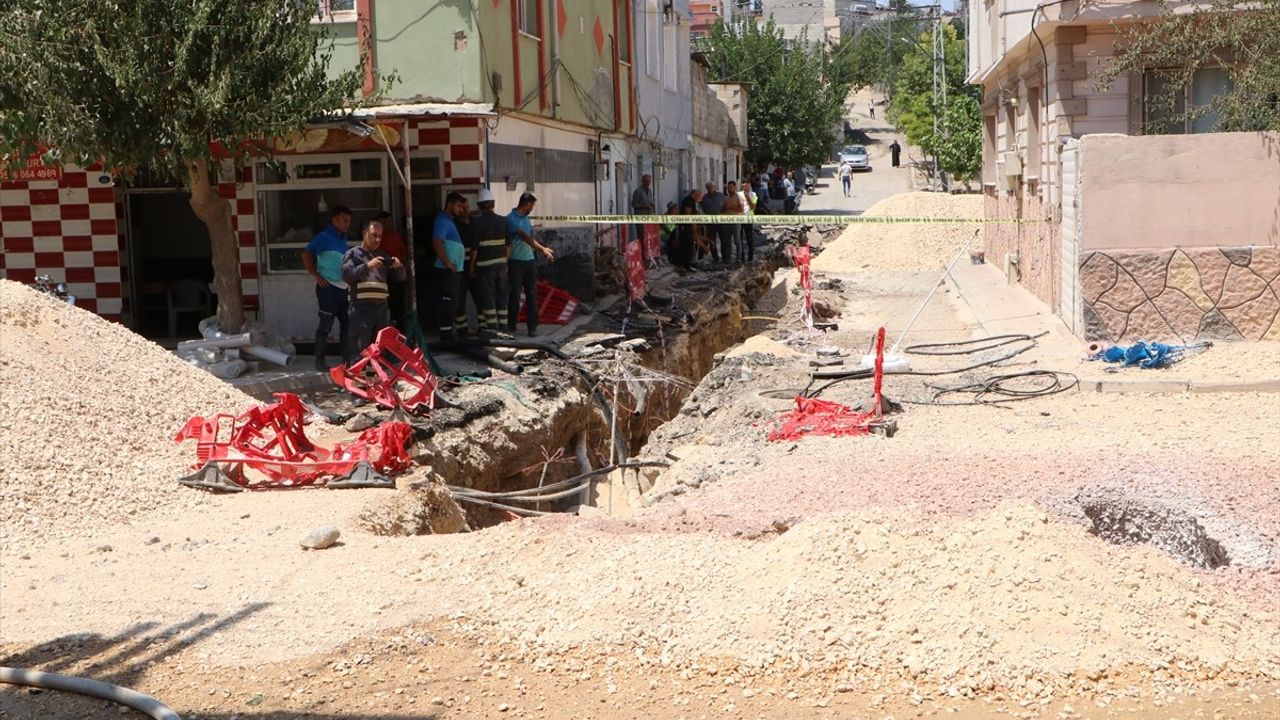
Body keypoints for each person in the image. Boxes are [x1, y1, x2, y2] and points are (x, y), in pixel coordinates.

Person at [341, 220, 405, 370]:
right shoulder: (353, 254)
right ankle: (358, 387)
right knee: (360, 351)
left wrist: (398, 266)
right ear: (364, 234)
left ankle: (373, 384)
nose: (377, 239)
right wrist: (368, 265)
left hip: (380, 309)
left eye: (380, 236)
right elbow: (347, 275)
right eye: (373, 235)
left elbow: (401, 277)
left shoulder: (382, 256)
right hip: (361, 309)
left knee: (377, 352)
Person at [302, 205, 353, 370]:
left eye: (349, 221)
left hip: (343, 288)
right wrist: (315, 275)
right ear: (335, 220)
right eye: (345, 220)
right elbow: (306, 254)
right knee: (325, 325)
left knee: (347, 325)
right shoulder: (323, 237)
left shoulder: (343, 238)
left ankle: (347, 362)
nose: (347, 224)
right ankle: (319, 361)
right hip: (328, 288)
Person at [507, 192, 555, 337]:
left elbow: (531, 235)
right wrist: (542, 249)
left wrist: (535, 254)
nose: (533, 208)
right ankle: (511, 327)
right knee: (514, 295)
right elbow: (524, 236)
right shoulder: (511, 219)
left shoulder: (526, 219)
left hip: (529, 261)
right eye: (532, 205)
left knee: (532, 295)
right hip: (516, 262)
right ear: (527, 204)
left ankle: (532, 327)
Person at [467, 189, 510, 333]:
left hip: (484, 267)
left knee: (488, 297)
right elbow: (508, 245)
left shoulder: (476, 223)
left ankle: (493, 330)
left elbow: (475, 249)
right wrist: (505, 261)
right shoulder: (504, 221)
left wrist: (471, 265)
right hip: (501, 265)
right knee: (502, 296)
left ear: (479, 205)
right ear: (493, 204)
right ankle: (504, 328)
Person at [432, 192, 470, 340]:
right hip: (446, 271)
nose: (461, 209)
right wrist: (447, 262)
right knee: (448, 303)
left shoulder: (450, 221)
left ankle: (461, 332)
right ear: (450, 204)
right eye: (459, 206)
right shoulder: (442, 221)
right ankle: (446, 335)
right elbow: (437, 241)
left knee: (456, 303)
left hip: (454, 271)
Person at [374, 211, 407, 330]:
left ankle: (399, 335)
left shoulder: (396, 235)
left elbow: (403, 254)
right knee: (380, 309)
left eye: (388, 222)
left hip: (396, 275)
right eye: (383, 222)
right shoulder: (376, 238)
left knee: (398, 308)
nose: (387, 225)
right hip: (381, 276)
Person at [673, 188, 707, 271]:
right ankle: (685, 265)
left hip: (688, 227)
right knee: (687, 247)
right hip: (686, 228)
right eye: (700, 197)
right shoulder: (689, 201)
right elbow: (689, 214)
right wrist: (693, 227)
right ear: (696, 195)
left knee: (690, 246)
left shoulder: (691, 201)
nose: (700, 199)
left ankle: (687, 265)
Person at [699, 181, 725, 263]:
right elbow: (701, 208)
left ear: (715, 187)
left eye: (712, 187)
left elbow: (725, 205)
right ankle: (715, 258)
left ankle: (725, 257)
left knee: (723, 239)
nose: (710, 189)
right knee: (712, 240)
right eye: (708, 187)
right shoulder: (704, 198)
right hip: (710, 223)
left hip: (721, 221)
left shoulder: (721, 195)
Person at [631, 173, 655, 260]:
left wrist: (651, 205)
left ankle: (647, 254)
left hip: (648, 216)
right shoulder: (638, 191)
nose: (648, 183)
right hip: (640, 216)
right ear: (642, 181)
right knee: (641, 235)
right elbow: (634, 204)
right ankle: (641, 255)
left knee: (648, 236)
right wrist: (644, 206)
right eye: (646, 181)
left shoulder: (649, 191)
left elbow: (649, 202)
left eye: (649, 181)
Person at [721, 181, 743, 264]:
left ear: (735, 188)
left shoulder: (739, 197)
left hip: (735, 221)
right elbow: (721, 210)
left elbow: (741, 209)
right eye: (728, 187)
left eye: (731, 187)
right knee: (727, 241)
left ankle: (738, 258)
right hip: (726, 221)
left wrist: (731, 206)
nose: (729, 189)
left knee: (737, 240)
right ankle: (727, 259)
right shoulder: (725, 198)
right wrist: (725, 208)